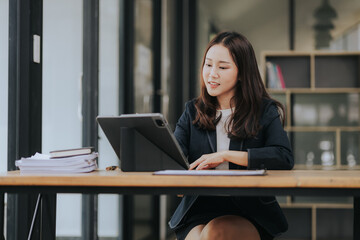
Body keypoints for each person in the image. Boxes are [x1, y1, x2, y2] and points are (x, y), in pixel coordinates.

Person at [169, 31, 294, 240]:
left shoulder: (264, 110)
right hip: (199, 207)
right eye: (208, 65)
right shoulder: (193, 110)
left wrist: (226, 155)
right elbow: (174, 154)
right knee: (201, 235)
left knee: (215, 233)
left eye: (222, 67)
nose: (212, 74)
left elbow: (283, 156)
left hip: (249, 209)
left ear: (242, 73)